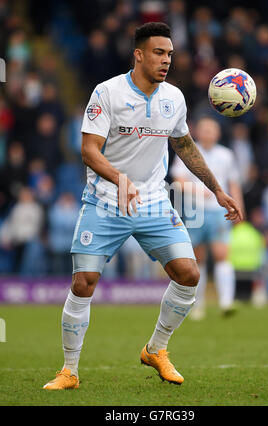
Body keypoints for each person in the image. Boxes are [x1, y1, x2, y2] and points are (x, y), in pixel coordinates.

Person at [43, 22, 242, 390]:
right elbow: (88, 150)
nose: (166, 60)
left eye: (169, 54)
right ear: (138, 54)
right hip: (105, 200)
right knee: (84, 282)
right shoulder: (108, 92)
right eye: (158, 53)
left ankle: (156, 349)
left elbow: (184, 146)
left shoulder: (175, 98)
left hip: (152, 201)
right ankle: (69, 371)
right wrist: (119, 179)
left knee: (189, 274)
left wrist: (216, 188)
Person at [171, 116, 244, 319]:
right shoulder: (188, 153)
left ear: (218, 133)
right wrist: (197, 190)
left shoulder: (226, 155)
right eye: (204, 130)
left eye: (212, 130)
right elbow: (178, 181)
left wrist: (239, 207)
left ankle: (226, 302)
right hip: (195, 212)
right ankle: (198, 305)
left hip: (218, 211)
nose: (208, 134)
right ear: (197, 132)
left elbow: (233, 183)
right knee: (197, 259)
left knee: (222, 254)